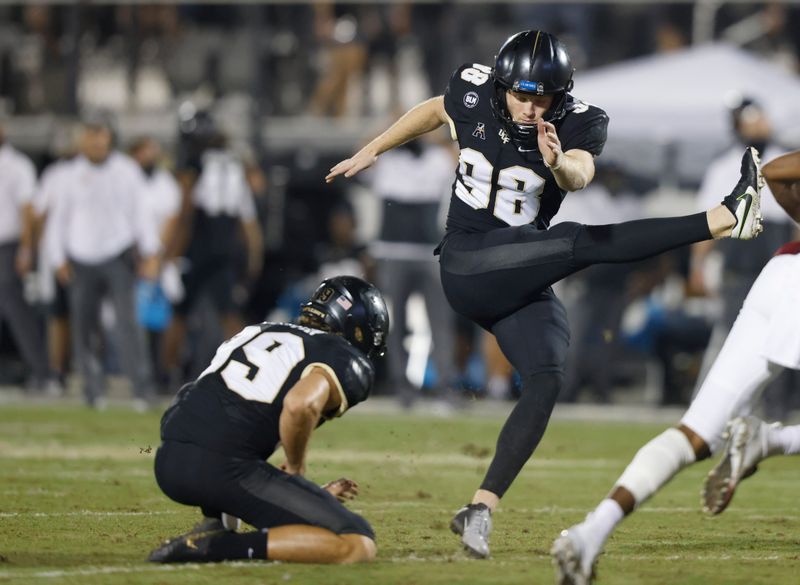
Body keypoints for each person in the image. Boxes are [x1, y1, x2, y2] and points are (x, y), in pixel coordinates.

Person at [326, 29, 764, 559]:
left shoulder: (581, 120)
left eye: (543, 97)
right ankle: (722, 218)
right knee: (576, 243)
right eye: (522, 95)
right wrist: (373, 148)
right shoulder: (473, 89)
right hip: (468, 263)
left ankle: (480, 507)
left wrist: (556, 162)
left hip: (520, 271)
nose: (532, 107)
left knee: (547, 375)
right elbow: (435, 109)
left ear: (563, 92)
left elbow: (580, 175)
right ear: (502, 84)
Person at [551, 149, 800, 585]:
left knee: (695, 434)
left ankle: (591, 532)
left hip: (781, 272)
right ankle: (771, 440)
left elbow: (776, 172)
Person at [148, 276, 389, 565]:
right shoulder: (343, 357)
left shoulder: (256, 331)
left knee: (233, 434)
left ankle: (216, 523)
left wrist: (303, 495)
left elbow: (193, 397)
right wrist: (297, 472)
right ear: (359, 330)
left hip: (170, 460)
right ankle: (217, 547)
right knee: (356, 542)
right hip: (222, 468)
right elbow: (300, 405)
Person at [46, 117, 160, 409]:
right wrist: (57, 257)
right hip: (80, 258)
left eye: (102, 136)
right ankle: (93, 391)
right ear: (82, 140)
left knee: (127, 324)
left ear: (109, 138)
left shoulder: (126, 170)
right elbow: (57, 220)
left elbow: (141, 213)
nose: (97, 142)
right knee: (84, 327)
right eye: (91, 136)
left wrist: (151, 252)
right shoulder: (67, 174)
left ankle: (141, 389)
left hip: (118, 255)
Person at [0, 120, 52, 390]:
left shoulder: (17, 165)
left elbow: (28, 211)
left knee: (16, 310)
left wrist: (26, 249)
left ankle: (41, 372)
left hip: (8, 246)